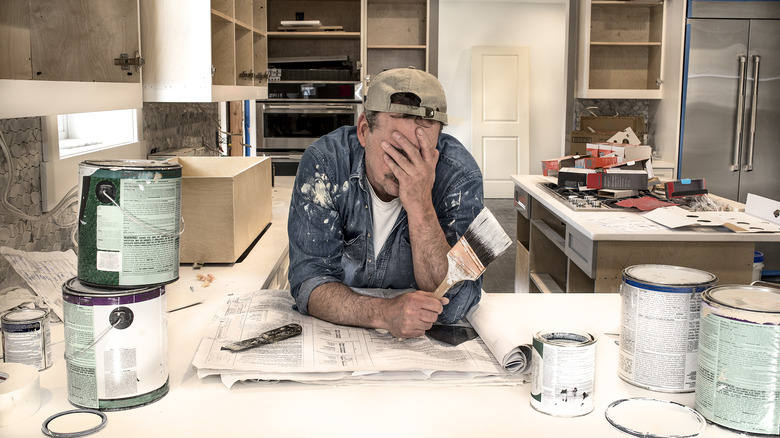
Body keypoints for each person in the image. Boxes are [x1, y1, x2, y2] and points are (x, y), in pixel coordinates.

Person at [287, 67, 484, 339]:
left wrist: (421, 205)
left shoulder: (461, 176)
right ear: (364, 131)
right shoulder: (325, 165)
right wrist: (384, 313)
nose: (407, 168)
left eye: (420, 152)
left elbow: (457, 303)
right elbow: (309, 282)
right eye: (396, 151)